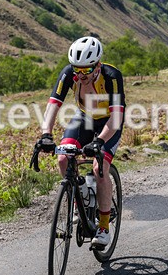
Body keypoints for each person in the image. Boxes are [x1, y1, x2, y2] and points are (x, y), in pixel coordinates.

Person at [36, 36, 125, 247]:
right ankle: (80, 199)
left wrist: (100, 141)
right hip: (84, 117)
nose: (81, 74)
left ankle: (103, 227)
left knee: (99, 168)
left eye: (86, 70)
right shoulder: (69, 73)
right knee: (63, 159)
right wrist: (45, 134)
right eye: (77, 69)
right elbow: (53, 104)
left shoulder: (111, 76)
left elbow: (115, 119)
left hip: (109, 121)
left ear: (98, 65)